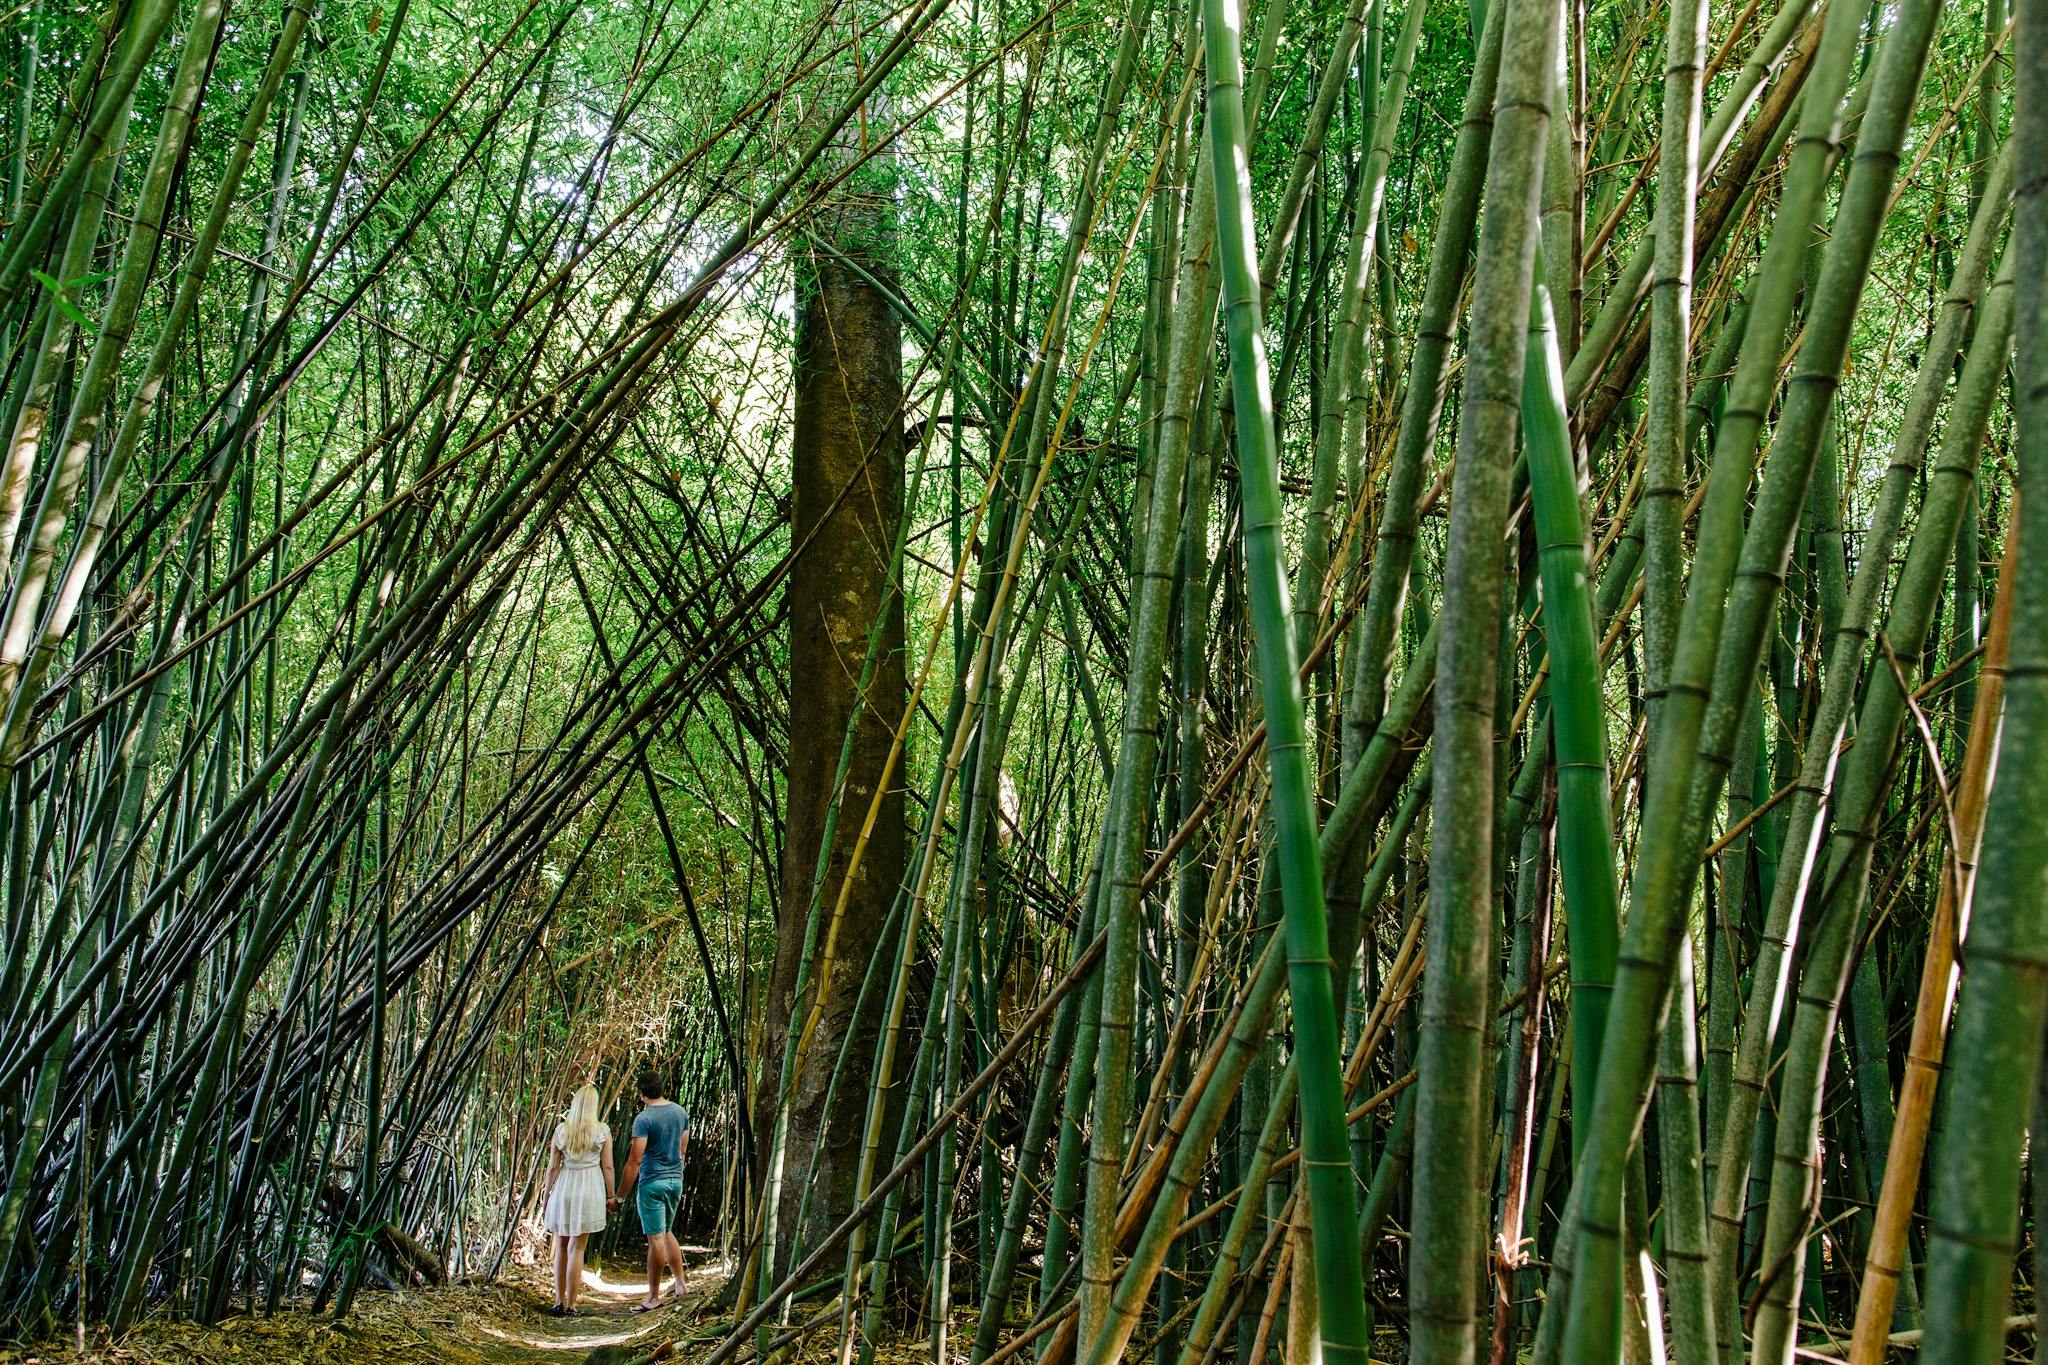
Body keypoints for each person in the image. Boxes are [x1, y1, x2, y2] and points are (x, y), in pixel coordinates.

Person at [613, 1069, 691, 1310]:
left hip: (653, 1183)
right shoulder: (680, 1112)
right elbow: (682, 1150)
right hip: (675, 1181)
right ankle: (680, 1283)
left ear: (641, 1094)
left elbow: (634, 1160)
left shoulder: (644, 1119)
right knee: (666, 1232)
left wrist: (620, 1195)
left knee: (656, 1238)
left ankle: (653, 1297)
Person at [539, 1083, 615, 1316]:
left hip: (565, 1186)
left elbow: (553, 1167)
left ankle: (558, 1300)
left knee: (561, 1246)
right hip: (589, 1187)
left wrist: (546, 1195)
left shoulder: (562, 1130)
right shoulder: (601, 1131)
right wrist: (612, 1195)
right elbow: (608, 1166)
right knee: (578, 1247)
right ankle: (571, 1304)